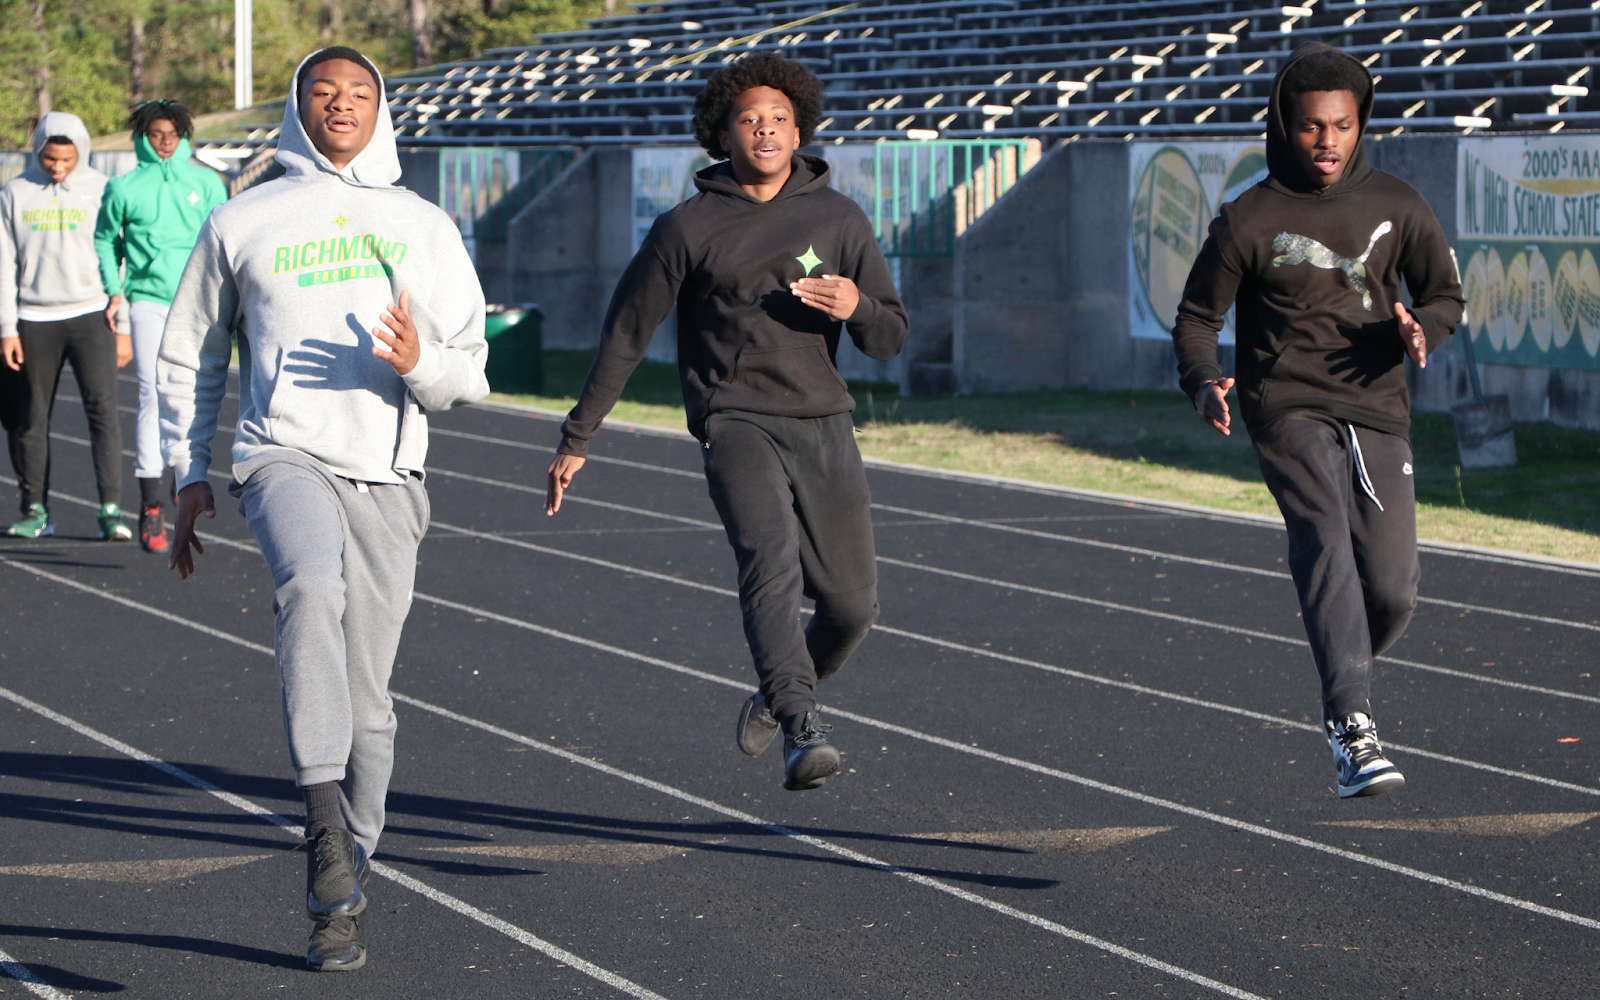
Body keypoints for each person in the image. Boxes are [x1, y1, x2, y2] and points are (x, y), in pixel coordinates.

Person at [160, 46, 488, 970]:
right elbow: (190, 355)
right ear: (298, 107)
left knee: (370, 713)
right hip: (282, 455)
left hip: (388, 475)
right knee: (307, 587)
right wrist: (186, 471)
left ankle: (346, 875)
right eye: (322, 91)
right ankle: (319, 824)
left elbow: (472, 369)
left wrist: (420, 363)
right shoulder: (243, 218)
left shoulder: (421, 223)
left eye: (358, 93)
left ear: (380, 109)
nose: (340, 104)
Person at [544, 52, 907, 792]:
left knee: (851, 606)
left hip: (824, 419)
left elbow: (889, 337)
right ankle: (801, 725)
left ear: (800, 130)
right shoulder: (687, 227)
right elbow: (626, 332)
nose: (765, 129)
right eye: (748, 119)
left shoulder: (839, 217)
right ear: (723, 134)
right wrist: (578, 436)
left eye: (778, 118)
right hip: (734, 416)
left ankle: (779, 692)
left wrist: (857, 307)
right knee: (769, 561)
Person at [1171, 42, 1464, 799]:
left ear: (1360, 124)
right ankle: (1350, 728)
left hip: (1377, 406)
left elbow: (1444, 296)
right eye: (1310, 127)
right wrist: (1203, 381)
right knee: (1324, 536)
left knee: (1393, 590)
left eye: (1341, 125)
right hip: (1286, 403)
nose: (1326, 142)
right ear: (1285, 126)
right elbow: (1197, 318)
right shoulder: (1249, 218)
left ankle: (1344, 671)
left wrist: (1424, 328)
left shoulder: (1399, 203)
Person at [94, 100, 226, 553]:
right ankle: (151, 502)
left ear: (184, 136)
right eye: (156, 134)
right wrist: (114, 290)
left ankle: (185, 474)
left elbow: (224, 240)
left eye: (173, 134)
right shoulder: (124, 187)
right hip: (148, 301)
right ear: (143, 138)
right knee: (153, 393)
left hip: (198, 300)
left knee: (197, 392)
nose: (165, 142)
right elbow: (105, 239)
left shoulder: (206, 183)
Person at [0, 112, 133, 540]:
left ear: (82, 152)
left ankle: (110, 509)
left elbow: (119, 256)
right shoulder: (15, 193)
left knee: (103, 413)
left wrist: (123, 322)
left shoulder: (102, 189)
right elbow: (4, 264)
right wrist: (7, 327)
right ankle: (35, 509)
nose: (58, 167)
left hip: (93, 315)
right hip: (34, 318)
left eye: (67, 160)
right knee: (31, 418)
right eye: (50, 159)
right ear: (38, 151)